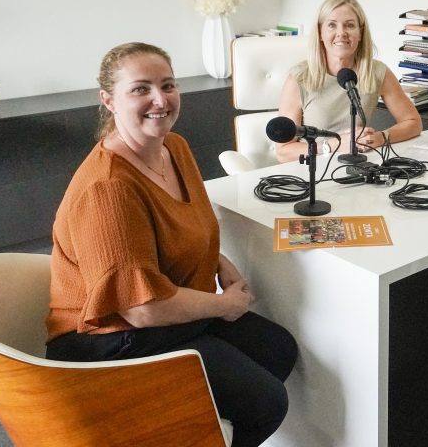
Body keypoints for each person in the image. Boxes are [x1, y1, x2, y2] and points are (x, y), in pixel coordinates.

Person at [45, 42, 298, 447]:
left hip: (161, 313)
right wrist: (224, 304)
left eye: (168, 85)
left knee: (277, 349)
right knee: (266, 402)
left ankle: (194, 429)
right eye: (141, 89)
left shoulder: (173, 148)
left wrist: (217, 260)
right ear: (108, 100)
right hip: (109, 338)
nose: (160, 100)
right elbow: (141, 309)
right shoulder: (108, 188)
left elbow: (187, 223)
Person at [275, 0, 421, 162]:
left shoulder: (377, 72)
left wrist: (380, 137)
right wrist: (331, 146)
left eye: (350, 25)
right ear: (320, 33)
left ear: (360, 33)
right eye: (331, 25)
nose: (341, 33)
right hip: (313, 170)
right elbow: (283, 151)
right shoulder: (299, 78)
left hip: (358, 167)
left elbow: (413, 122)